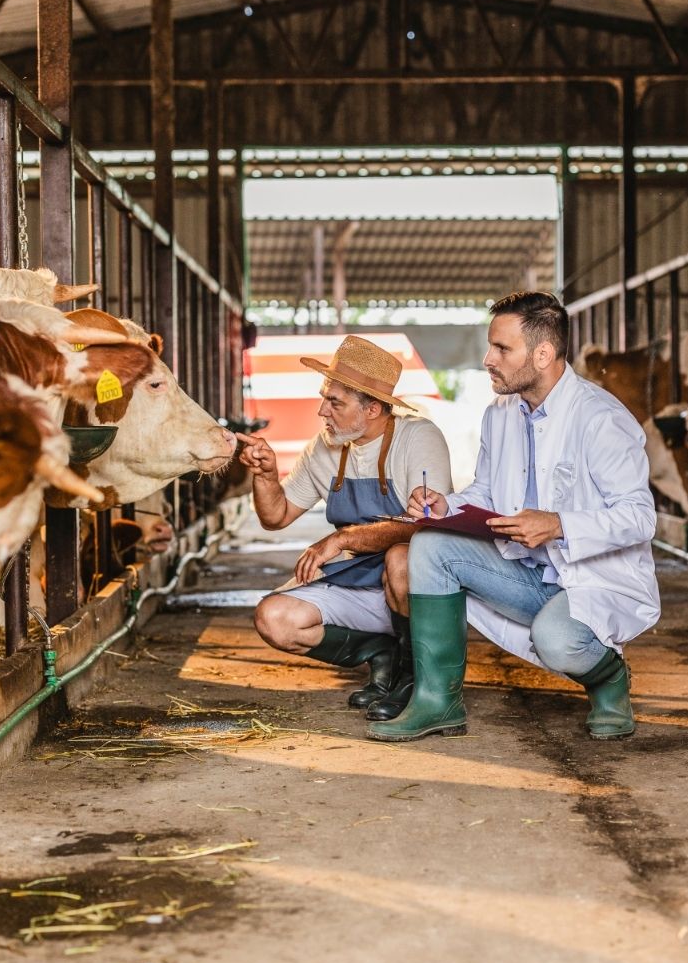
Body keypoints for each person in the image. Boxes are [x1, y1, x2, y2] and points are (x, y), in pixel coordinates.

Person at [376, 292, 657, 743]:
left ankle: (609, 679)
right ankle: (436, 702)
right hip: (526, 571)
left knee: (557, 641)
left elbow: (640, 518)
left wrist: (559, 523)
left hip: (590, 580)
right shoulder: (499, 413)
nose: (488, 359)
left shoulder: (601, 418)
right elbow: (487, 489)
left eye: (501, 349)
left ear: (542, 354)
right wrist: (447, 504)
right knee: (427, 545)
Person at [236, 335, 451, 721]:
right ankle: (379, 651)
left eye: (335, 402)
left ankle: (415, 677)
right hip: (357, 586)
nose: (322, 411)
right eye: (325, 397)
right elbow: (276, 516)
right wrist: (265, 476)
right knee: (275, 619)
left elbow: (427, 526)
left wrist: (343, 537)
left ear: (371, 409)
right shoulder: (325, 448)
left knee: (402, 558)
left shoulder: (418, 437)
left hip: (413, 593)